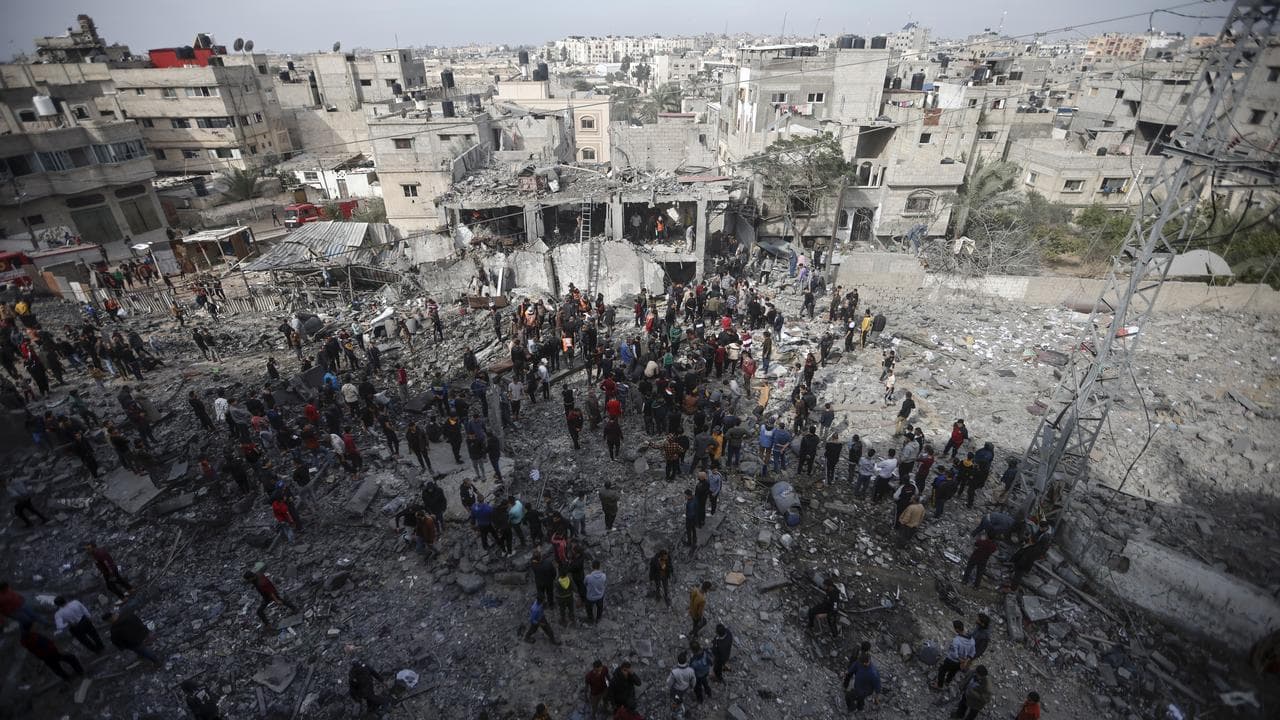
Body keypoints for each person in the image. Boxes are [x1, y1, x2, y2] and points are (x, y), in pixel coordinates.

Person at [20, 629, 84, 681]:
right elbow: (46, 643)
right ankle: (79, 671)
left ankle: (67, 678)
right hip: (52, 652)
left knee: (56, 668)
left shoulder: (26, 643)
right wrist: (56, 649)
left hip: (45, 657)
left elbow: (35, 651)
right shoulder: (35, 637)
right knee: (70, 658)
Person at [934, 619, 976, 689]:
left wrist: (960, 660)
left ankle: (939, 685)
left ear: (957, 629)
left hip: (952, 660)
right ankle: (947, 682)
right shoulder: (972, 640)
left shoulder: (956, 640)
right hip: (962, 662)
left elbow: (954, 654)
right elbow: (973, 653)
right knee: (953, 671)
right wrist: (965, 661)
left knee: (942, 670)